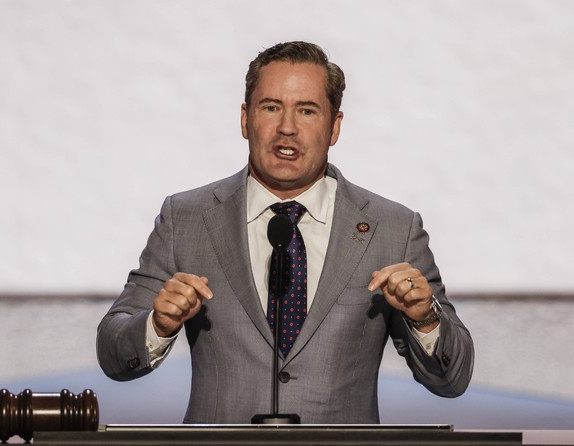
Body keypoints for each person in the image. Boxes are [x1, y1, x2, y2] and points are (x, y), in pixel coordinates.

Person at [97, 41, 474, 424]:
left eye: (307, 110)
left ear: (334, 126)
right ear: (245, 119)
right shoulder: (187, 218)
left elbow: (452, 377)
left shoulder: (392, 228)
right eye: (271, 107)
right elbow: (113, 355)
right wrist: (157, 326)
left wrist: (424, 318)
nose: (287, 128)